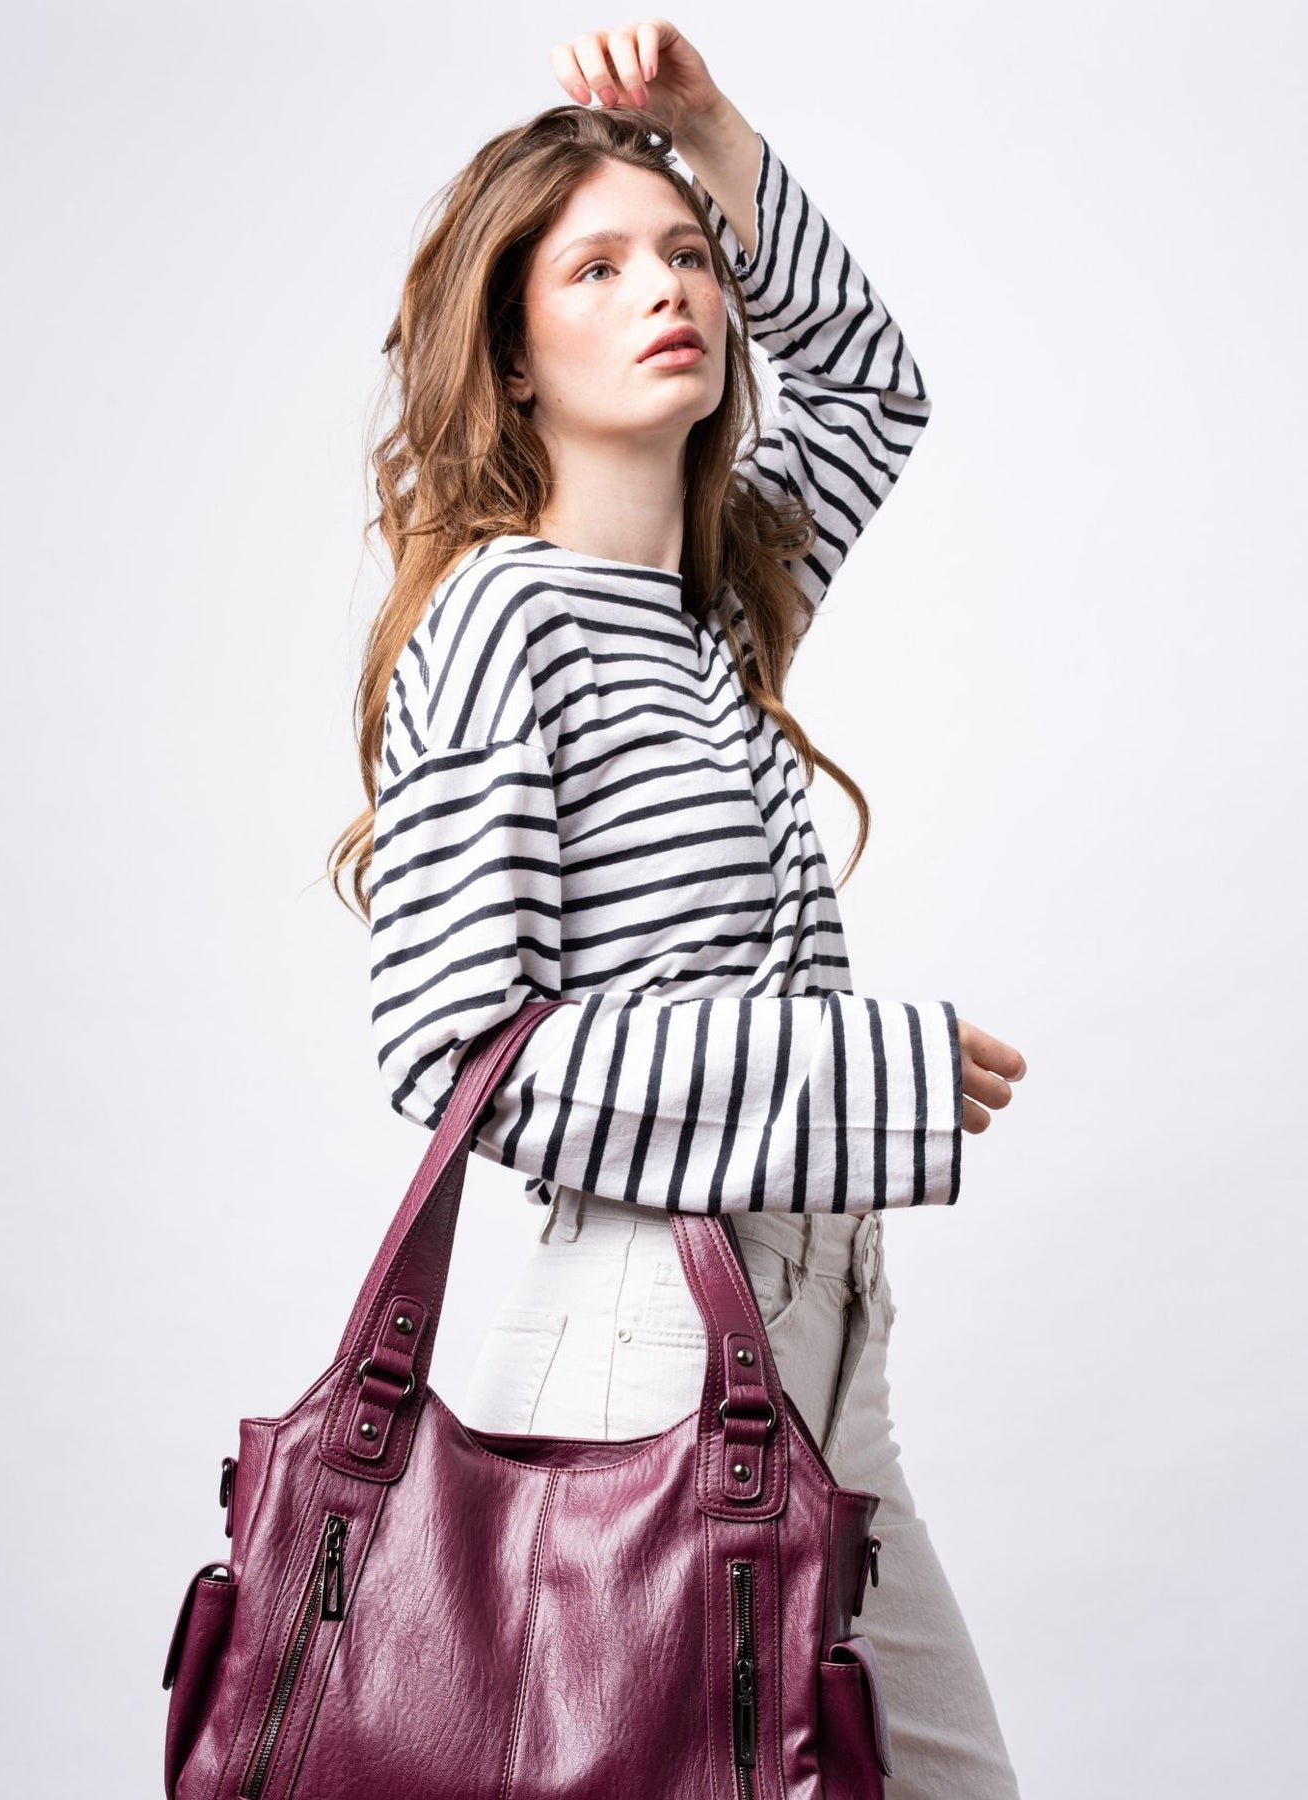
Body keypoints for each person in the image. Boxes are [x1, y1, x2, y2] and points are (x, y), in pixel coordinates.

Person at [328, 19, 1027, 1797]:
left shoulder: (715, 606)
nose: (669, 289)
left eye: (687, 256)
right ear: (511, 356)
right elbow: (458, 1046)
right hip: (643, 1345)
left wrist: (716, 141)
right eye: (598, 266)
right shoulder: (503, 617)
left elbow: (871, 395)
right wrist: (864, 1073)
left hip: (817, 1350)